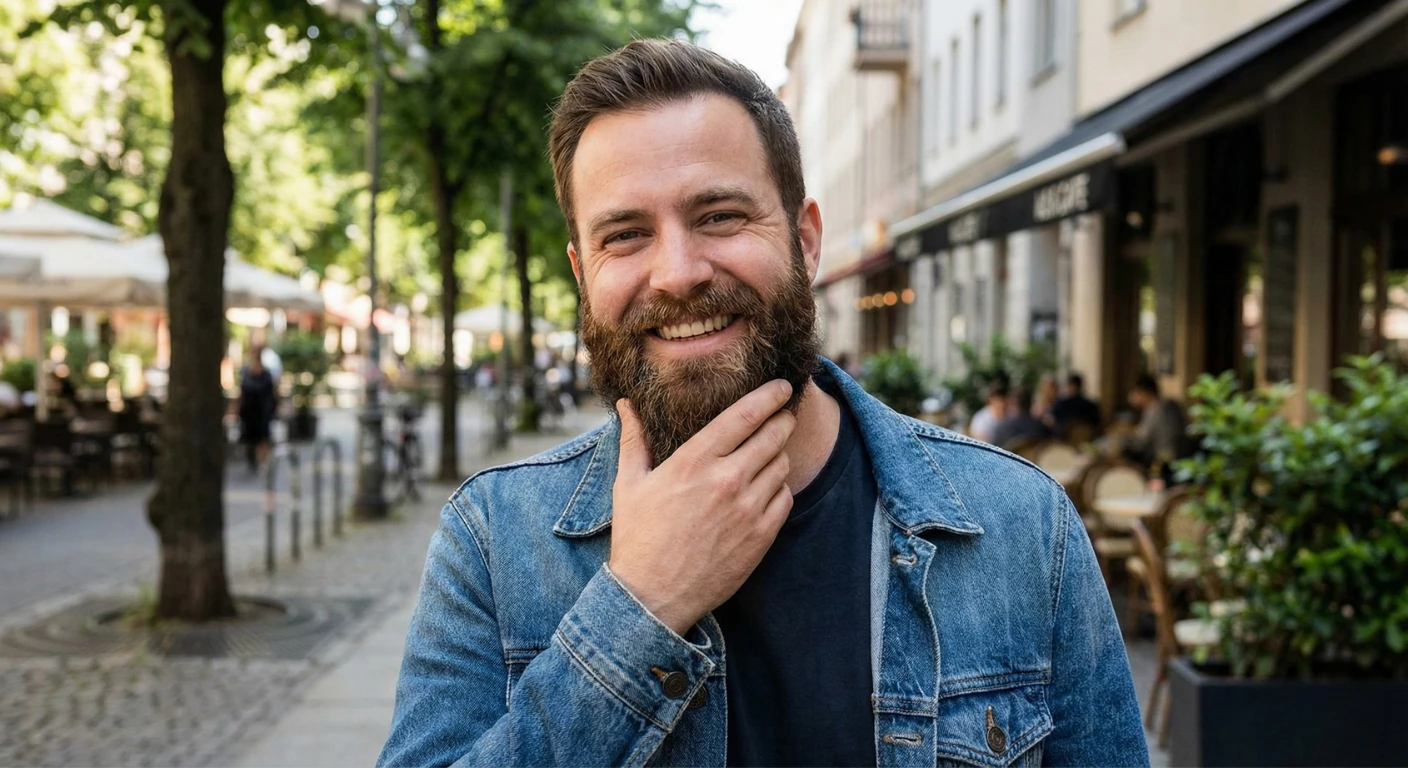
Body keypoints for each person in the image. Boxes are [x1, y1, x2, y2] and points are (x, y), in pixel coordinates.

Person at [379, 40, 1147, 768]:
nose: (677, 273)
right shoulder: (492, 542)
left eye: (719, 216)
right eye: (626, 234)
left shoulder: (1020, 526)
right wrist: (639, 606)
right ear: (583, 274)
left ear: (806, 242)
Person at [1125, 373, 1191, 483]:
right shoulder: (1172, 405)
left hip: (1164, 464)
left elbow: (1140, 441)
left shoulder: (1154, 409)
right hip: (1182, 459)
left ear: (1143, 392)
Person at [238, 349, 277, 473]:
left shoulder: (266, 376)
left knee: (262, 438)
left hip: (262, 412)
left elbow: (272, 393)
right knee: (250, 439)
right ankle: (252, 462)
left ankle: (261, 462)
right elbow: (243, 392)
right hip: (249, 413)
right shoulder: (246, 374)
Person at [1050, 371, 1103, 441]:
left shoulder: (1061, 404)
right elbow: (1097, 424)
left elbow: (1052, 422)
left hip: (1064, 441)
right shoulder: (1092, 405)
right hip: (1088, 440)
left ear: (1069, 386)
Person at [966, 379, 1009, 444]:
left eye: (1003, 397)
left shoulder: (1011, 416)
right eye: (998, 398)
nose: (1001, 402)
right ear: (991, 399)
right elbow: (980, 440)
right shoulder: (981, 418)